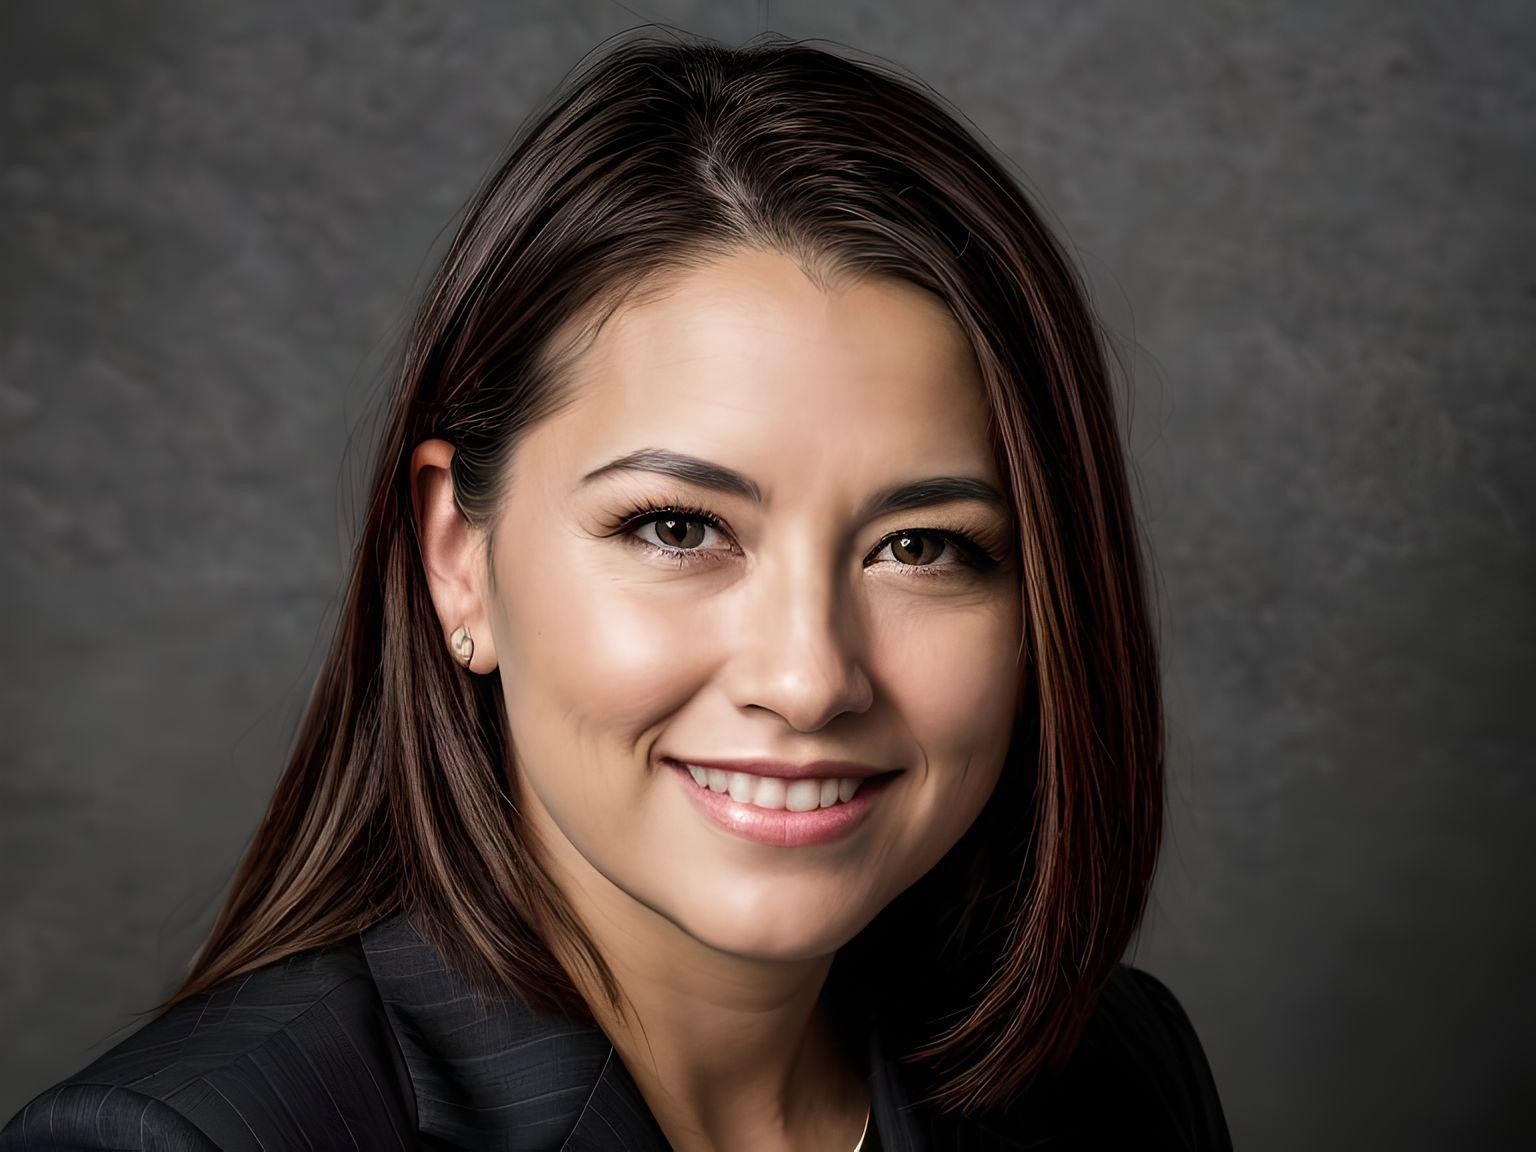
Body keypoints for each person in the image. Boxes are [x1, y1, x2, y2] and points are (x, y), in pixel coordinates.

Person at [1, 31, 1231, 1152]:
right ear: (455, 554)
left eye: (920, 548)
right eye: (678, 527)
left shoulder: (1114, 1081)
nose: (806, 678)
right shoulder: (188, 1144)